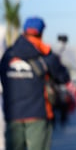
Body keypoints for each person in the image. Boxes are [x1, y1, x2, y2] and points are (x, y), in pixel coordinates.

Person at [0, 17, 71, 150]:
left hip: (13, 116)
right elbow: (64, 77)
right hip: (38, 115)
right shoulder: (45, 54)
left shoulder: (8, 55)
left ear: (24, 31)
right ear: (41, 33)